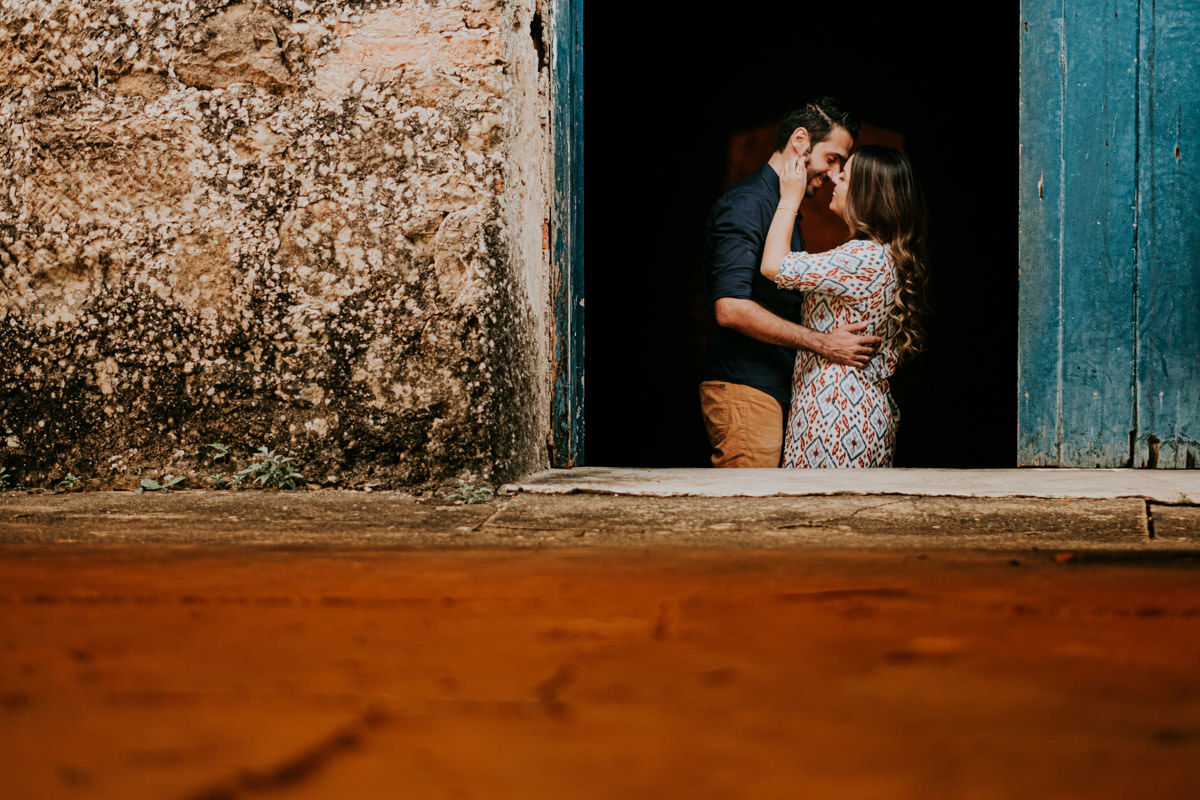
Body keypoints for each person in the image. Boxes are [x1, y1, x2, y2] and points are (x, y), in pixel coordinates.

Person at [700, 98, 881, 469]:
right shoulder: (749, 204)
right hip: (745, 389)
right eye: (832, 158)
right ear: (801, 141)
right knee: (750, 514)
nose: (834, 174)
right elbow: (730, 308)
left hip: (770, 388)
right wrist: (823, 344)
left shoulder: (783, 203)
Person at [760, 145, 929, 468]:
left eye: (845, 175)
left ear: (867, 194)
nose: (834, 178)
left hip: (837, 415)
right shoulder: (883, 254)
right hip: (854, 410)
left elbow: (774, 266)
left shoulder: (863, 257)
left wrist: (789, 198)